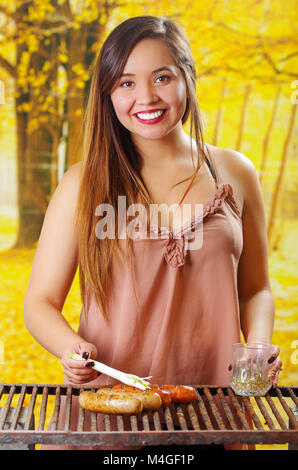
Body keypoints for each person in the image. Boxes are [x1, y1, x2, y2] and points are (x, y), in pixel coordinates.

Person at [24, 15, 282, 450]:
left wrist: (256, 349)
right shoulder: (83, 184)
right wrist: (71, 349)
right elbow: (40, 303)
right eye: (125, 82)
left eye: (162, 77)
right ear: (107, 93)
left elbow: (255, 288)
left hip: (216, 413)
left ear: (187, 79)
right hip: (108, 409)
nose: (145, 96)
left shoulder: (235, 172)